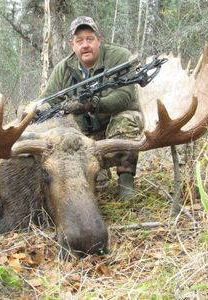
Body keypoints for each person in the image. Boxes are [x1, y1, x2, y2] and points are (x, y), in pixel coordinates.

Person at [36, 16, 143, 199]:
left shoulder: (119, 57)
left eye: (90, 39)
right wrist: (35, 110)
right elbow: (49, 99)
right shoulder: (64, 68)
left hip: (114, 123)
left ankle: (126, 185)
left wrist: (92, 104)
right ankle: (95, 179)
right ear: (73, 45)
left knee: (126, 120)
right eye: (79, 41)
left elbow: (124, 97)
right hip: (86, 131)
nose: (85, 45)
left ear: (99, 40)